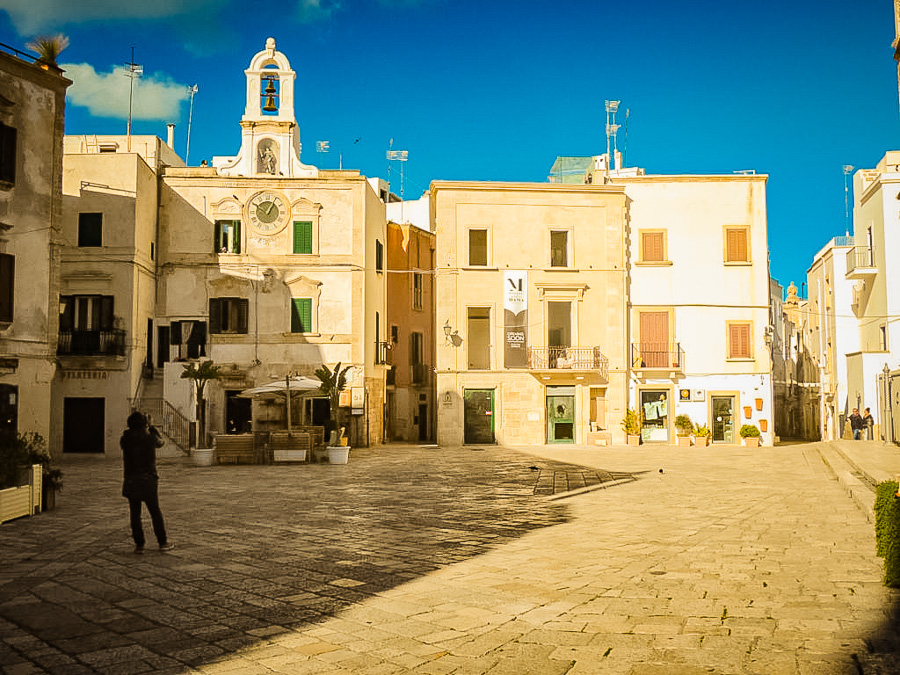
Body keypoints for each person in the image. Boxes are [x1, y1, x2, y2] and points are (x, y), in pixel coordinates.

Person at [121, 411, 173, 553]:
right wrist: (151, 426)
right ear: (144, 423)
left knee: (135, 514)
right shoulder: (150, 439)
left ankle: (139, 545)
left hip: (131, 479)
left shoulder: (125, 439)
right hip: (148, 479)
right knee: (155, 512)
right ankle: (162, 542)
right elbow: (161, 442)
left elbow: (127, 440)